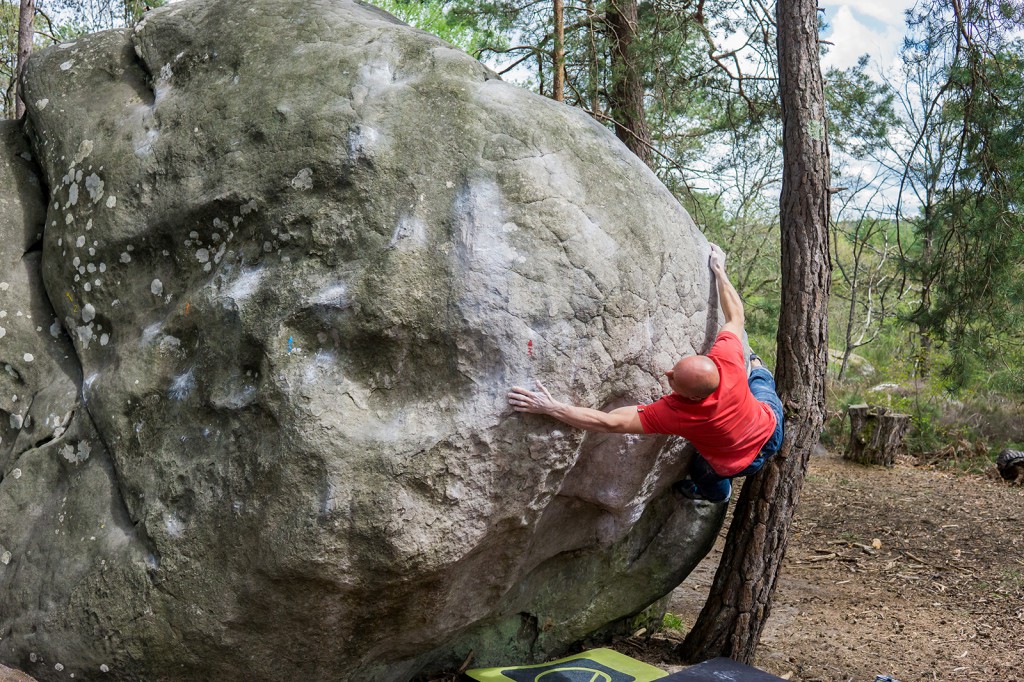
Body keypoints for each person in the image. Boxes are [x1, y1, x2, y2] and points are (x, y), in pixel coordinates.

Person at [507, 243, 784, 503]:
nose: (668, 371)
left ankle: (715, 495)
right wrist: (719, 271)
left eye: (673, 378)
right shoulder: (727, 360)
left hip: (742, 460)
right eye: (675, 367)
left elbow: (608, 423)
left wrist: (551, 407)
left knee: (703, 470)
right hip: (771, 425)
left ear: (689, 397)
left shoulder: (676, 415)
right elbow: (735, 316)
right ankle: (759, 368)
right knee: (760, 381)